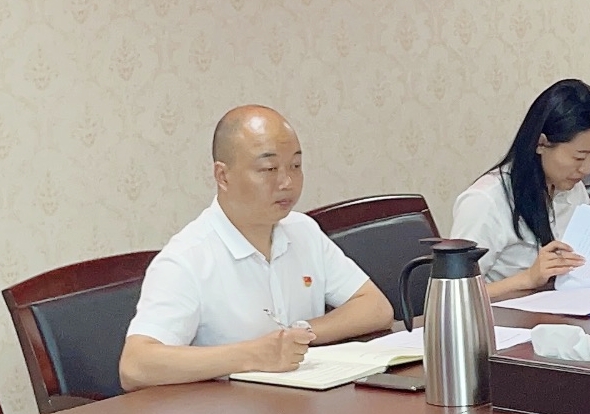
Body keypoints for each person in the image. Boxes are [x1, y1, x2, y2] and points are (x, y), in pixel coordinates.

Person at [119, 107, 395, 389]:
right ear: (223, 176)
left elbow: (375, 307)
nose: (287, 182)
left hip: (303, 403)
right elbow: (135, 366)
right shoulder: (187, 258)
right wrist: (252, 355)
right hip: (225, 411)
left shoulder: (302, 231)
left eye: (295, 166)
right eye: (269, 169)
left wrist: (300, 334)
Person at [449, 79, 590, 301]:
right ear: (541, 143)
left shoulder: (572, 187)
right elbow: (455, 296)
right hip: (504, 318)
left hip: (561, 309)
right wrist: (527, 278)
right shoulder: (485, 201)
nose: (586, 169)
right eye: (579, 157)